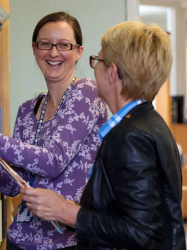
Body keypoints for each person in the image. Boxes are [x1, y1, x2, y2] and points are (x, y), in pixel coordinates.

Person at [21, 21, 186, 250]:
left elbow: (142, 232)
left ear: (112, 72)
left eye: (97, 61)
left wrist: (67, 212)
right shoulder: (149, 123)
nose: (93, 68)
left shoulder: (130, 137)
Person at [0, 11, 108, 250]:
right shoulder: (27, 110)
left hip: (68, 244)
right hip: (19, 241)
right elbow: (13, 185)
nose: (54, 52)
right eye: (45, 44)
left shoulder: (87, 93)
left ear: (78, 52)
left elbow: (52, 161)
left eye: (64, 45)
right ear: (34, 49)